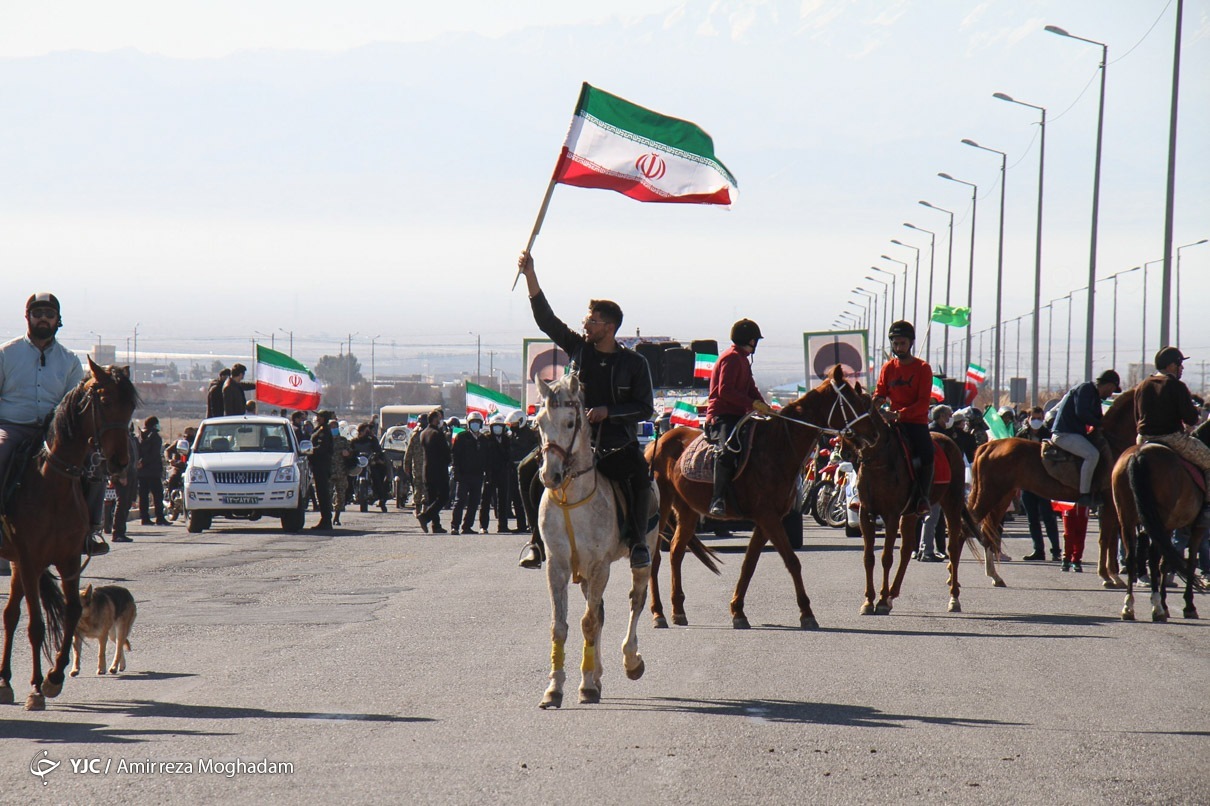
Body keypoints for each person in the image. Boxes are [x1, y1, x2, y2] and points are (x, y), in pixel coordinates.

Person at [516, 251, 656, 569]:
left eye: (592, 321)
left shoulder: (635, 363)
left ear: (609, 327)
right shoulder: (579, 348)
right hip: (573, 441)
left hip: (616, 443)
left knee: (639, 477)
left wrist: (609, 411)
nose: (585, 324)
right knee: (526, 470)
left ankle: (637, 543)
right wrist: (530, 275)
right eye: (586, 320)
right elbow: (547, 320)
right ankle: (536, 542)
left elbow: (644, 407)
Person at [0, 293, 108, 564]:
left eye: (49, 314)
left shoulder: (69, 361)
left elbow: (74, 405)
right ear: (27, 317)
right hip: (13, 427)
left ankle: (90, 531)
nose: (43, 319)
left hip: (54, 433)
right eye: (38, 314)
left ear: (58, 320)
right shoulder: (6, 354)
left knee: (94, 464)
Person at [1136, 346, 1210, 530]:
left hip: (1143, 439)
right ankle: (1207, 508)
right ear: (1170, 366)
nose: (1181, 368)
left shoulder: (1142, 385)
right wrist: (1194, 415)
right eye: (1180, 364)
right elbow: (1191, 419)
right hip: (1171, 438)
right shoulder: (1176, 386)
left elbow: (1137, 417)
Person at [705, 318, 773, 517]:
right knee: (728, 449)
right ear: (751, 340)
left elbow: (751, 388)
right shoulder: (732, 358)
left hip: (739, 415)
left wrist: (765, 407)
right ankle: (717, 499)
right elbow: (725, 391)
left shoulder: (743, 359)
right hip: (722, 415)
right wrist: (752, 404)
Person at [872, 320, 934, 515]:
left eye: (902, 343)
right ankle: (862, 493)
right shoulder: (888, 368)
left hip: (915, 423)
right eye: (895, 343)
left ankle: (923, 497)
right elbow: (880, 393)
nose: (899, 348)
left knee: (927, 453)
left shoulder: (923, 368)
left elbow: (923, 402)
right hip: (891, 422)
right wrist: (874, 404)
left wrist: (899, 414)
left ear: (911, 343)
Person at [1050, 369, 1121, 508]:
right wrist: (1100, 424)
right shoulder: (1085, 389)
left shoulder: (1095, 396)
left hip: (1075, 434)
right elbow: (1081, 413)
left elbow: (1099, 418)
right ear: (1108, 385)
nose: (1111, 394)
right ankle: (1084, 494)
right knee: (1092, 455)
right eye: (1112, 389)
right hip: (1064, 434)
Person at [1017, 406, 1061, 561]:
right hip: (1027, 482)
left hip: (1044, 483)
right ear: (1028, 419)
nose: (1036, 421)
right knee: (1032, 519)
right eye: (1034, 418)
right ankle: (1038, 550)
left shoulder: (1048, 435)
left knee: (1048, 517)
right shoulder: (1022, 435)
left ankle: (1056, 550)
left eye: (1039, 418)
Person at [918, 404, 954, 561]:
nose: (950, 418)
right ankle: (926, 551)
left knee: (933, 518)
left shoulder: (939, 431)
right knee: (931, 518)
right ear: (941, 416)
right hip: (935, 481)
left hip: (936, 480)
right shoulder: (935, 434)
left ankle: (925, 549)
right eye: (948, 415)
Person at [450, 411, 487, 534]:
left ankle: (467, 526)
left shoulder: (483, 439)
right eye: (473, 422)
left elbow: (486, 457)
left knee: (474, 502)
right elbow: (455, 455)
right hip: (463, 475)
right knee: (460, 501)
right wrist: (456, 471)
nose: (475, 424)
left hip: (478, 475)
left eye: (477, 422)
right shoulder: (462, 437)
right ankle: (455, 526)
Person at [418, 409, 451, 533]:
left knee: (432, 498)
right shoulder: (437, 433)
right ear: (435, 419)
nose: (441, 420)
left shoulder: (423, 433)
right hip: (439, 470)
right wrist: (449, 460)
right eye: (439, 417)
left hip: (427, 469)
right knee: (444, 496)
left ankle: (436, 525)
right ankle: (425, 517)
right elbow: (445, 452)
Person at [480, 414, 513, 533]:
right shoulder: (486, 439)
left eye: (500, 426)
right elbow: (483, 456)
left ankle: (503, 525)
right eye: (495, 426)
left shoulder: (506, 439)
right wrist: (485, 471)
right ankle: (483, 526)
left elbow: (509, 455)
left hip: (503, 472)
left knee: (503, 500)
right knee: (486, 500)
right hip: (490, 472)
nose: (497, 428)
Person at [506, 410, 537, 534]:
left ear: (521, 421)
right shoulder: (512, 435)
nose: (512, 426)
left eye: (514, 423)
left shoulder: (531, 435)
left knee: (529, 498)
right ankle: (521, 525)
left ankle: (533, 525)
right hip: (514, 470)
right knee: (516, 499)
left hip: (527, 470)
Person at [136, 416, 169, 526]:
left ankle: (144, 518)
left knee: (143, 496)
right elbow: (154, 454)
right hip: (153, 471)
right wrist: (145, 462)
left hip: (141, 472)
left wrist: (140, 463)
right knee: (158, 495)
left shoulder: (139, 436)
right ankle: (160, 517)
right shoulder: (155, 437)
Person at [350, 422, 388, 513]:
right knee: (349, 477)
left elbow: (378, 450)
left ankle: (381, 499)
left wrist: (376, 457)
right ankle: (346, 498)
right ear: (360, 431)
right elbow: (350, 451)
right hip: (357, 464)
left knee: (377, 477)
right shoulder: (354, 441)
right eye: (365, 430)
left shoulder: (372, 440)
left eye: (368, 430)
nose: (368, 432)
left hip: (370, 463)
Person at [308, 410, 336, 530]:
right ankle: (325, 518)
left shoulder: (324, 431)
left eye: (319, 416)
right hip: (318, 465)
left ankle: (326, 520)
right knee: (321, 492)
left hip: (322, 465)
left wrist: (309, 451)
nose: (317, 418)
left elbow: (322, 448)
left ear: (323, 418)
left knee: (323, 493)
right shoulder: (320, 429)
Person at [404, 416, 429, 518]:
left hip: (422, 465)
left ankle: (421, 510)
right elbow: (409, 451)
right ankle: (421, 510)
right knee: (422, 487)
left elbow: (409, 451)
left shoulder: (417, 434)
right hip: (422, 466)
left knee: (420, 487)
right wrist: (407, 464)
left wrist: (407, 464)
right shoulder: (425, 433)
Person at [330, 422, 353, 525]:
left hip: (341, 472)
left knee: (341, 495)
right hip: (329, 472)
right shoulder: (326, 440)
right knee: (327, 495)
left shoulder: (343, 441)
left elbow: (351, 453)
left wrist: (348, 454)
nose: (333, 429)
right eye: (331, 427)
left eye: (335, 427)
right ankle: (327, 516)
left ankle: (337, 517)